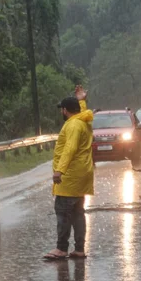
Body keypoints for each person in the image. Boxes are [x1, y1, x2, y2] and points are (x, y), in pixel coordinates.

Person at [43, 85, 94, 260]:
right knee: (78, 212)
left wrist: (59, 170)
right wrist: (82, 100)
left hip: (70, 176)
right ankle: (79, 249)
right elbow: (84, 113)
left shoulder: (72, 125)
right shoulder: (83, 121)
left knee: (63, 211)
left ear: (64, 110)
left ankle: (61, 248)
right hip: (82, 175)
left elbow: (70, 149)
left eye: (62, 110)